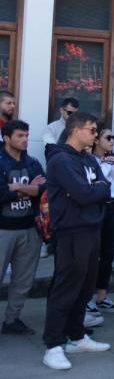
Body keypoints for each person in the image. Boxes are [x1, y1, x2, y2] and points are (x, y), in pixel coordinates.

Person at [42, 113, 112, 370]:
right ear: (76, 130)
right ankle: (53, 345)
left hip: (91, 228)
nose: (96, 135)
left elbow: (105, 187)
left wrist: (96, 190)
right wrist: (96, 190)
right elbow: (84, 193)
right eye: (92, 130)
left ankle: (76, 336)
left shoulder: (88, 158)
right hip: (71, 231)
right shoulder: (61, 159)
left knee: (85, 286)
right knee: (67, 287)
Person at [0, 120, 45, 335]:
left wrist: (16, 187)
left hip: (29, 229)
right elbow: (1, 194)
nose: (25, 139)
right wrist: (29, 188)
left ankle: (12, 320)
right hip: (3, 229)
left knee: (24, 280)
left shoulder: (33, 162)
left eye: (26, 135)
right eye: (20, 136)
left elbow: (44, 188)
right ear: (6, 138)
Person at [87, 124, 114, 316]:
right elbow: (94, 183)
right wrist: (105, 165)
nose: (112, 141)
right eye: (108, 138)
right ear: (96, 140)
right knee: (91, 254)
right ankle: (86, 299)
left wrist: (112, 165)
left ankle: (102, 296)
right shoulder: (89, 160)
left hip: (111, 207)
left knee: (108, 254)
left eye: (113, 138)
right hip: (95, 207)